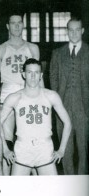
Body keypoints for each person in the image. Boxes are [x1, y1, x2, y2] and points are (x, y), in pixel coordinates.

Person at [1, 58, 71, 175]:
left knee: (52, 191)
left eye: (36, 72)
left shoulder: (51, 95)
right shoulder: (14, 97)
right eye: (29, 72)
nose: (33, 76)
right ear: (23, 74)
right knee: (16, 192)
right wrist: (5, 149)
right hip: (23, 149)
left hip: (44, 149)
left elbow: (67, 123)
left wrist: (62, 150)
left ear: (41, 75)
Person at [0, 12, 40, 175]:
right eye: (13, 23)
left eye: (19, 22)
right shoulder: (0, 49)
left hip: (28, 96)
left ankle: (34, 179)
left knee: (31, 139)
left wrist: (41, 100)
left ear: (23, 25)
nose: (17, 26)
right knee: (7, 141)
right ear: (8, 26)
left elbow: (38, 77)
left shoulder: (32, 48)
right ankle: (7, 180)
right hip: (6, 96)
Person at [50, 17, 89, 175]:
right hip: (63, 108)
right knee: (65, 150)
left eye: (77, 29)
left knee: (83, 150)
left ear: (82, 31)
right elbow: (53, 79)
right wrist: (57, 103)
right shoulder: (57, 53)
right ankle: (68, 184)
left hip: (84, 109)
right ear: (67, 32)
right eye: (70, 30)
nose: (74, 33)